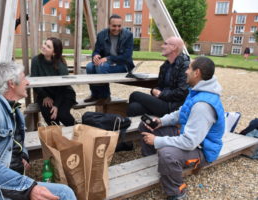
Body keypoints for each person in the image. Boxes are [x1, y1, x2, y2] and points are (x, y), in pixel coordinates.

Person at [0, 62, 77, 200]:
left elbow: (15, 141)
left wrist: (23, 156)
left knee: (64, 192)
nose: (27, 82)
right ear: (11, 83)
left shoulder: (14, 110)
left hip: (4, 184)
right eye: (23, 78)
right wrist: (28, 187)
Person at [140, 57, 225, 200]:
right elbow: (181, 112)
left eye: (189, 68)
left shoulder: (203, 106)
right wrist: (161, 121)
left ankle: (177, 192)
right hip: (191, 137)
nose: (186, 71)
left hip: (202, 149)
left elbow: (190, 142)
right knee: (146, 125)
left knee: (168, 154)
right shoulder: (198, 91)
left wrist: (157, 141)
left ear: (197, 73)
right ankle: (154, 162)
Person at [127, 36, 190, 118]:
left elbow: (181, 92)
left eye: (165, 44)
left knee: (135, 95)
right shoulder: (165, 65)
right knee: (133, 108)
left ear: (174, 47)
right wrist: (154, 90)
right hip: (162, 101)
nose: (162, 46)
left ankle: (159, 125)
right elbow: (160, 86)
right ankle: (140, 129)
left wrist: (161, 94)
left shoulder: (185, 66)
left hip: (173, 107)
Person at [84, 14, 135, 104]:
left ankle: (105, 96)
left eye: (119, 26)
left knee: (101, 67)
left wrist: (108, 58)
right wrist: (95, 56)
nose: (116, 28)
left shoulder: (128, 35)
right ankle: (95, 95)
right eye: (114, 26)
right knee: (89, 66)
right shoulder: (101, 35)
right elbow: (96, 51)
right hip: (107, 63)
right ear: (109, 25)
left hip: (122, 65)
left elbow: (126, 57)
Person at [31, 37, 76, 126]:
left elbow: (63, 87)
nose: (44, 47)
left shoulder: (60, 65)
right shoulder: (36, 60)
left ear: (54, 52)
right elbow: (34, 82)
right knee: (50, 117)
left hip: (63, 94)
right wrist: (45, 96)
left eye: (48, 46)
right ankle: (56, 135)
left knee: (62, 114)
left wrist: (56, 105)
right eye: (45, 44)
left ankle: (77, 129)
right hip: (45, 94)